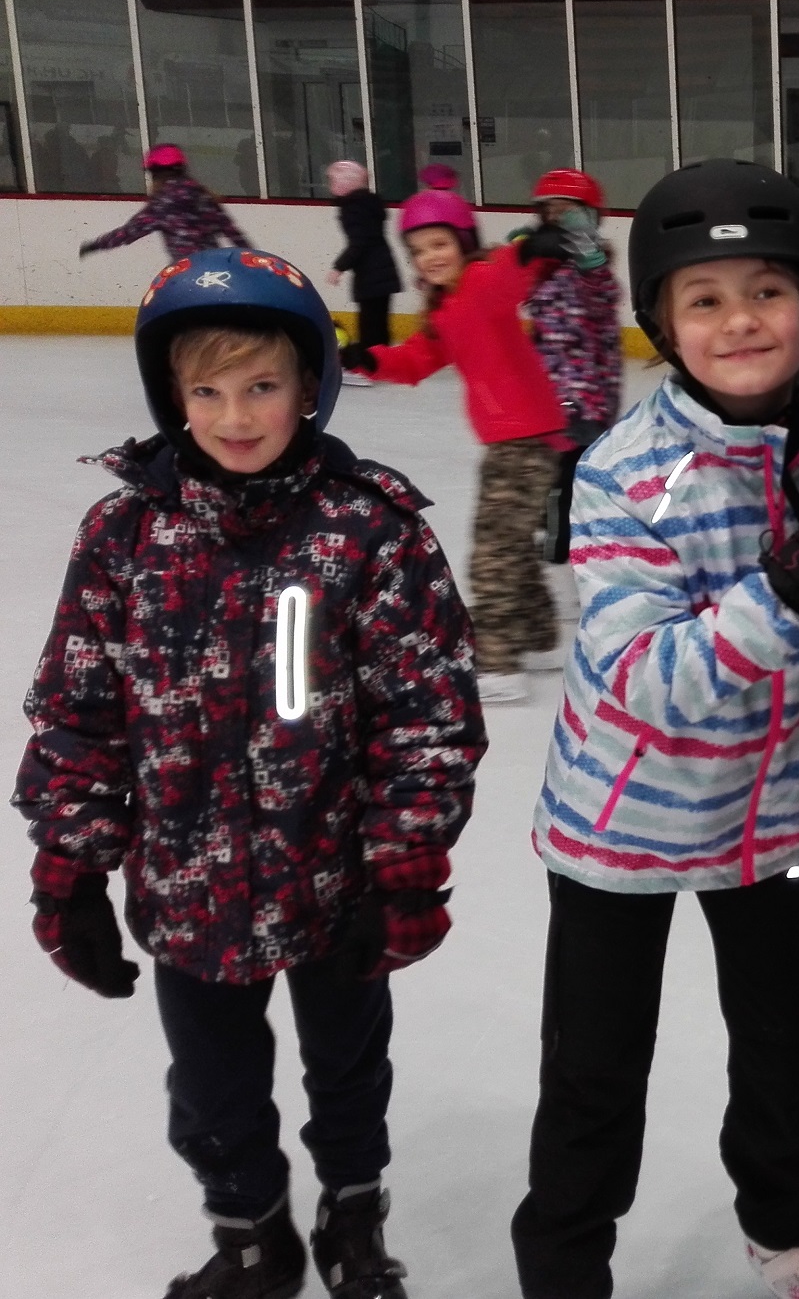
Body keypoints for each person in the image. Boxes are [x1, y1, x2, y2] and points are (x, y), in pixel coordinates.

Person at [13, 247, 483, 1299]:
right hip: (187, 886)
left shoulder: (369, 529)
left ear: (309, 386)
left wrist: (405, 865)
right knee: (212, 1087)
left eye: (261, 385)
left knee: (348, 1072)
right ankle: (251, 1239)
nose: (235, 415)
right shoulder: (126, 534)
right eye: (208, 391)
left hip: (336, 878)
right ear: (171, 397)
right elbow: (79, 708)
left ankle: (352, 1220)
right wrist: (69, 870)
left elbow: (427, 710)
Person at [512, 160, 799, 1299]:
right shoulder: (623, 472)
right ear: (663, 325)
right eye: (705, 299)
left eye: (766, 291)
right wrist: (794, 587)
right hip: (623, 829)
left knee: (785, 1047)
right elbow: (643, 676)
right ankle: (565, 1265)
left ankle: (787, 1231)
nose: (740, 320)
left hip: (779, 822)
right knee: (596, 1066)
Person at [337, 164, 570, 706]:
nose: (429, 257)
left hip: (525, 438)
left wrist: (533, 249)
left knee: (493, 554)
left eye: (440, 244)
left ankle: (499, 664)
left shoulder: (483, 281)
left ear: (463, 242)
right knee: (510, 543)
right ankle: (539, 638)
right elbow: (417, 360)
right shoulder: (447, 310)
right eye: (418, 250)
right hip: (515, 438)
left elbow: (510, 271)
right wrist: (368, 358)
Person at [515, 167, 624, 605]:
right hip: (548, 393)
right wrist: (516, 254)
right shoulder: (543, 272)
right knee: (550, 473)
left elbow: (602, 292)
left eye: (569, 212)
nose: (558, 219)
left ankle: (570, 548)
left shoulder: (593, 272)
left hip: (585, 395)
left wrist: (584, 249)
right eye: (551, 212)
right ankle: (560, 537)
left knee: (573, 475)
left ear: (591, 218)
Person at [79, 143, 249, 262]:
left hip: (186, 272)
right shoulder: (203, 195)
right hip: (216, 267)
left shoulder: (162, 204)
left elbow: (129, 232)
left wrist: (95, 245)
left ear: (155, 173)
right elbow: (231, 231)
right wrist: (252, 257)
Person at [323, 160, 401, 386]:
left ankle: (368, 367)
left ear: (344, 183)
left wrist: (339, 267)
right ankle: (383, 364)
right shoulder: (368, 203)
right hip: (383, 268)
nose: (330, 185)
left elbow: (359, 242)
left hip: (371, 272)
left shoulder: (353, 207)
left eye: (333, 181)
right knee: (378, 322)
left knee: (370, 324)